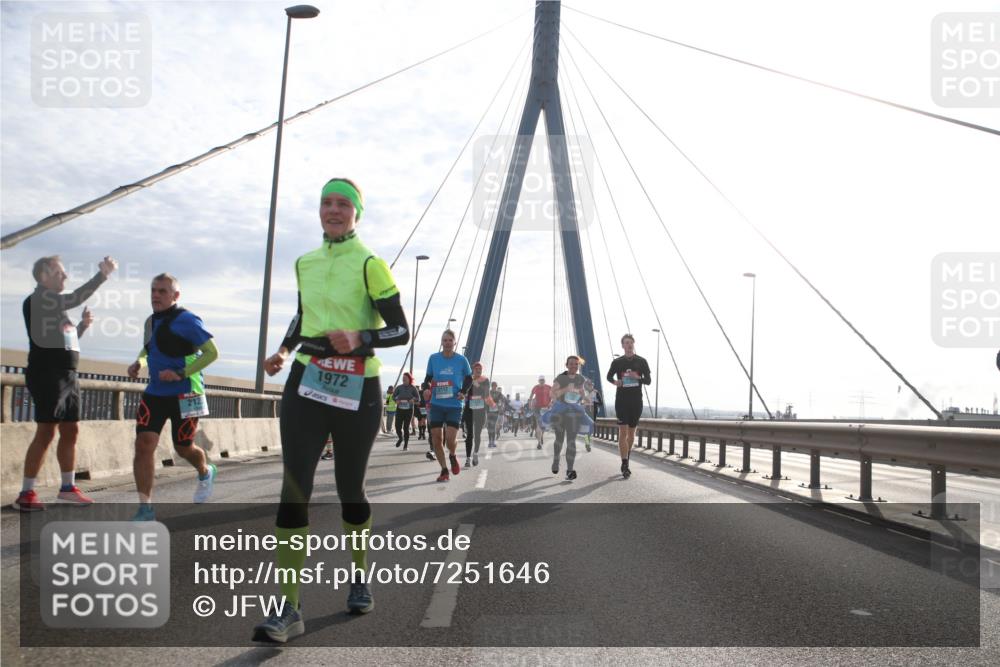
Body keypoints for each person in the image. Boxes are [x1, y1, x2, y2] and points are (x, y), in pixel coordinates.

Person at [253, 177, 409, 643]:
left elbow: (400, 329)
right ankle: (288, 607)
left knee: (349, 488)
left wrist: (361, 337)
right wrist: (283, 350)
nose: (334, 210)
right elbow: (304, 315)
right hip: (308, 377)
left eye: (343, 204)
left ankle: (359, 578)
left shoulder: (369, 263)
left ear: (357, 212)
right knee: (293, 487)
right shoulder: (305, 262)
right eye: (327, 203)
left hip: (358, 384)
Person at [13, 255, 117, 511]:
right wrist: (102, 275)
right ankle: (26, 493)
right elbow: (76, 297)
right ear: (44, 277)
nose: (65, 277)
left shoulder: (55, 308)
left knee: (71, 430)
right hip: (47, 374)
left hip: (68, 375)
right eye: (60, 273)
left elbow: (66, 342)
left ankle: (68, 488)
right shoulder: (37, 300)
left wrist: (80, 327)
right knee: (47, 431)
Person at [128, 273, 220, 521]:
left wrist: (180, 372)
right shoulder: (150, 322)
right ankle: (145, 508)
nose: (156, 295)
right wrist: (139, 361)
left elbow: (211, 353)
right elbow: (149, 347)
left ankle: (204, 471)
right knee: (144, 444)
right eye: (153, 290)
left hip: (186, 392)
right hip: (155, 392)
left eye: (162, 291)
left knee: (183, 447)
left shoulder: (188, 320)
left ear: (175, 295)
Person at [425, 329, 472, 482]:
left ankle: (452, 455)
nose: (447, 343)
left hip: (454, 405)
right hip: (437, 404)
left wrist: (463, 392)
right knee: (436, 438)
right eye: (444, 340)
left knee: (450, 440)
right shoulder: (433, 358)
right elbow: (428, 378)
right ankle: (444, 470)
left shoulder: (461, 360)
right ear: (441, 342)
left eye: (450, 340)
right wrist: (426, 388)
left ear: (454, 342)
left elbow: (469, 378)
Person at [606, 334, 651, 479]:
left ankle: (627, 457)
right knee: (623, 432)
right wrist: (615, 382)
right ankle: (624, 463)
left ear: (634, 344)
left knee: (631, 434)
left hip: (636, 401)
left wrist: (638, 377)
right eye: (626, 343)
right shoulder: (617, 362)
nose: (629, 345)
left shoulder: (642, 361)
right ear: (623, 346)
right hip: (621, 401)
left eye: (631, 342)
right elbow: (608, 377)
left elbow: (648, 381)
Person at [542, 356, 594, 481]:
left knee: (571, 440)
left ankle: (570, 470)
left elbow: (581, 392)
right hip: (560, 412)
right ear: (566, 365)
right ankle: (556, 459)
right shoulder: (561, 377)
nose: (574, 366)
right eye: (571, 364)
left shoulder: (580, 378)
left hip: (574, 412)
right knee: (559, 438)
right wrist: (566, 389)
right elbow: (552, 393)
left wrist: (586, 399)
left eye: (576, 364)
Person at [462, 362, 490, 467]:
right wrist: (462, 393)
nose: (478, 371)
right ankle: (468, 458)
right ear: (473, 370)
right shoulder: (468, 378)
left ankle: (475, 453)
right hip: (469, 409)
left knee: (477, 434)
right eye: (476, 369)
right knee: (469, 434)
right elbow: (464, 389)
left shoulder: (485, 380)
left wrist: (477, 384)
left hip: (480, 410)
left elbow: (486, 394)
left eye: (480, 369)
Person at [392, 373, 420, 450]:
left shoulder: (413, 388)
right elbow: (393, 396)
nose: (403, 379)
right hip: (400, 409)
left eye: (405, 378)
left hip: (409, 410)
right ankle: (400, 438)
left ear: (409, 379)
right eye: (403, 378)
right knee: (397, 426)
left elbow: (418, 398)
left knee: (406, 427)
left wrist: (413, 399)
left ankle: (405, 445)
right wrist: (396, 400)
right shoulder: (399, 387)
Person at [529, 375, 551, 449]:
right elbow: (531, 396)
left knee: (543, 426)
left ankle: (541, 436)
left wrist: (552, 403)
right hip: (537, 408)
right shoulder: (535, 387)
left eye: (543, 380)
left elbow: (553, 396)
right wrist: (530, 404)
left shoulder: (548, 387)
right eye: (540, 380)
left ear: (545, 381)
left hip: (546, 409)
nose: (542, 381)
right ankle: (539, 443)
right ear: (538, 381)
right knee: (539, 424)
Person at [486, 381, 504, 448]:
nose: (494, 387)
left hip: (495, 412)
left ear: (496, 386)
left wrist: (499, 405)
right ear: (491, 386)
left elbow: (501, 401)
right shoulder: (488, 392)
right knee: (489, 427)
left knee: (493, 427)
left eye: (495, 386)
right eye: (493, 386)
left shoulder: (499, 393)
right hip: (488, 411)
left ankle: (492, 442)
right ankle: (490, 441)